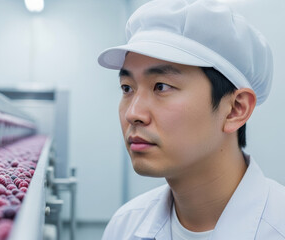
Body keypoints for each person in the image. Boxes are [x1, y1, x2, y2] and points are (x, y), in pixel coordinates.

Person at [97, 0, 285, 239]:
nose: (133, 114)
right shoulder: (124, 226)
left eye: (161, 87)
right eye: (127, 88)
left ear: (236, 109)